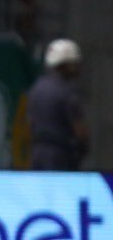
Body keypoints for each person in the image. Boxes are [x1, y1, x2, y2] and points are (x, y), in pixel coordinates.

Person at [27, 39, 88, 171]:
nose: (77, 67)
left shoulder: (36, 88)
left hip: (37, 154)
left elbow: (30, 123)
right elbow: (80, 131)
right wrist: (82, 149)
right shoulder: (66, 92)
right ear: (65, 65)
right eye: (74, 63)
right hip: (61, 156)